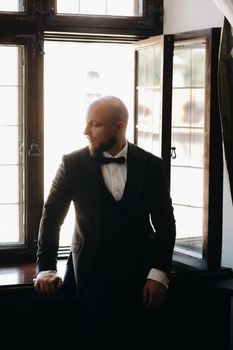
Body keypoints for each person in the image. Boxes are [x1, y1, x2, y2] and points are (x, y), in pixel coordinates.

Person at [34, 95, 176, 348]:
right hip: (88, 277)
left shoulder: (152, 166)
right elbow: (52, 217)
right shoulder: (72, 164)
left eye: (95, 124)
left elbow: (165, 223)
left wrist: (159, 273)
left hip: (140, 280)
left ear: (119, 127)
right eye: (87, 123)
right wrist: (45, 267)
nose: (86, 131)